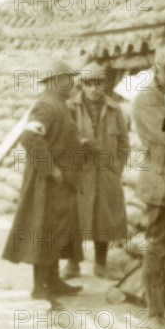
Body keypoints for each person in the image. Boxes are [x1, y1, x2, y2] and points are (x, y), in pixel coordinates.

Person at [2, 59, 84, 309]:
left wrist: (81, 146)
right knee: (45, 232)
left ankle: (54, 281)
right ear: (55, 81)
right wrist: (53, 171)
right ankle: (40, 289)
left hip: (61, 182)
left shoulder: (59, 104)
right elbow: (29, 139)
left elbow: (56, 140)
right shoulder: (46, 106)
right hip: (47, 183)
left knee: (58, 231)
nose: (73, 82)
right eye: (68, 78)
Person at [63, 63, 130, 280]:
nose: (94, 88)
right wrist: (80, 144)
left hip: (106, 173)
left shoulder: (114, 109)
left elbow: (123, 144)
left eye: (99, 83)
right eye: (89, 84)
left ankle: (101, 264)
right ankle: (73, 264)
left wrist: (116, 169)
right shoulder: (71, 107)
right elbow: (63, 140)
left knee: (105, 217)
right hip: (80, 173)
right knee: (75, 218)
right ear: (82, 85)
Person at [134, 45, 165, 329]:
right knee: (158, 249)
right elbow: (164, 138)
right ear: (156, 69)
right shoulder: (147, 99)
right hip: (159, 187)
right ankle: (155, 312)